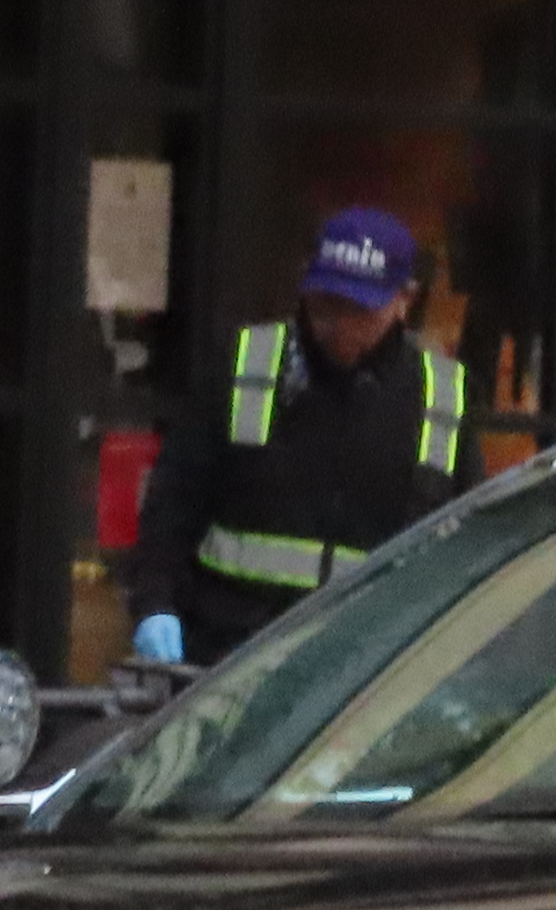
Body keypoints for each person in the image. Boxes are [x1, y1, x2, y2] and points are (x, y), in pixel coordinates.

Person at [127, 207, 473, 665]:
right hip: (231, 655)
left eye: (359, 310)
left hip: (369, 668)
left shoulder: (442, 398)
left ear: (404, 300)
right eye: (327, 305)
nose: (340, 327)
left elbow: (465, 546)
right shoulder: (245, 364)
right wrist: (155, 604)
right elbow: (174, 502)